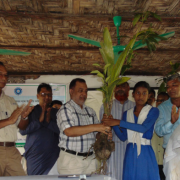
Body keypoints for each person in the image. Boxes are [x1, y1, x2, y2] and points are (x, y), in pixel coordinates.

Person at [102, 81, 160, 180]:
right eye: (138, 93)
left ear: (149, 95)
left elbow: (143, 128)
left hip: (145, 152)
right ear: (133, 94)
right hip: (130, 152)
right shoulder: (127, 113)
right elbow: (123, 137)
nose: (141, 96)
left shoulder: (153, 111)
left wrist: (118, 122)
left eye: (144, 93)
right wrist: (114, 123)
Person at [57, 78, 111, 175]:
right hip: (71, 161)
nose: (84, 94)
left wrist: (104, 134)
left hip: (90, 160)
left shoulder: (90, 111)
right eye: (80, 90)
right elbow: (69, 131)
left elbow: (96, 135)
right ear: (71, 91)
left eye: (86, 91)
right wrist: (96, 127)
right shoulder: (65, 109)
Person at [0, 62, 33, 176]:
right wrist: (10, 120)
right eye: (0, 74)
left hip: (11, 150)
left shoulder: (11, 100)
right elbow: (11, 120)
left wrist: (25, 117)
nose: (4, 78)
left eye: (5, 75)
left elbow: (21, 126)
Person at [20, 83, 60, 175]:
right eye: (43, 94)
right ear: (37, 96)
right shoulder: (31, 111)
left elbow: (64, 131)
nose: (46, 97)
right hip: (35, 157)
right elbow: (23, 131)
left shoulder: (57, 113)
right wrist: (39, 121)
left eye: (49, 94)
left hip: (53, 158)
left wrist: (49, 122)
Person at [99, 82, 135, 180]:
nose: (120, 88)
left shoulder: (135, 106)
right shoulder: (106, 106)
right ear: (114, 89)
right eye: (117, 86)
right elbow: (101, 129)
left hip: (130, 149)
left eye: (123, 86)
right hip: (112, 151)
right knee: (112, 175)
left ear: (128, 89)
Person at [155, 73, 180, 149]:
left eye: (174, 85)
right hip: (170, 153)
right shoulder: (162, 107)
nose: (170, 89)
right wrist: (171, 122)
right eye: (168, 87)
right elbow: (159, 132)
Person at [151, 92, 169, 180]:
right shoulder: (151, 116)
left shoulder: (171, 117)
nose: (160, 103)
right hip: (153, 159)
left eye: (163, 101)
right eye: (158, 101)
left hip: (166, 158)